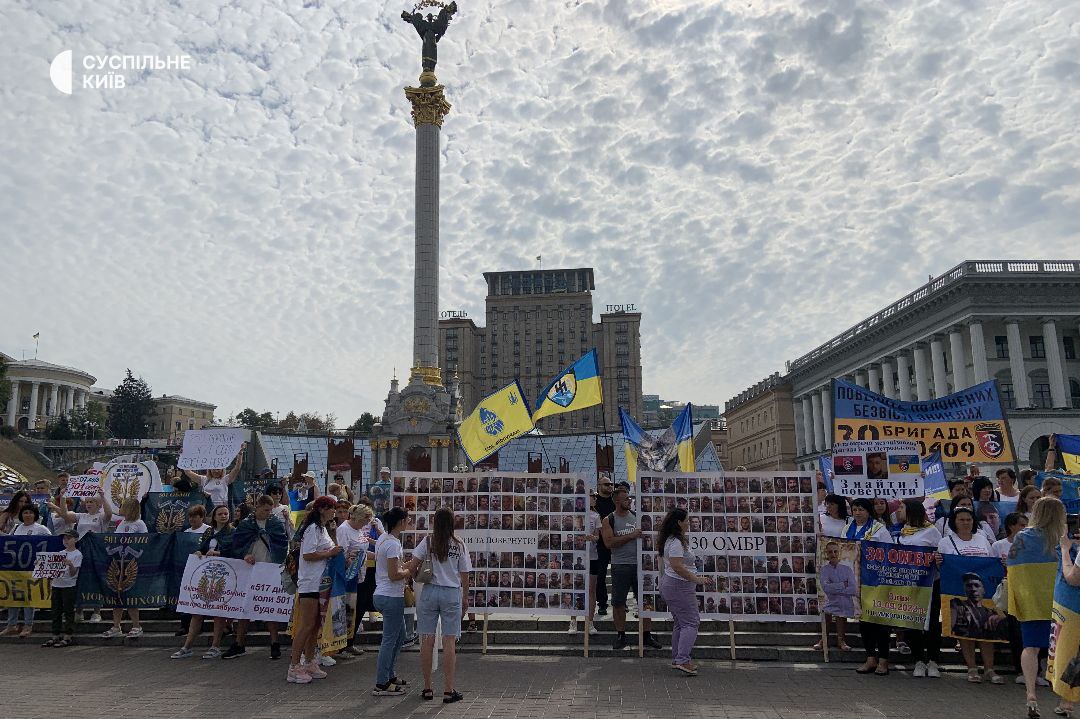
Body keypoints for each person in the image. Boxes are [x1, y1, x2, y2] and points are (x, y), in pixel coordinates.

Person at [1008, 497, 1066, 717]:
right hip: (1062, 603)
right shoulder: (1063, 540)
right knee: (1065, 651)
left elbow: (1013, 569)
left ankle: (1031, 694)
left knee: (1030, 647)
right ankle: (1065, 700)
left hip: (1031, 601)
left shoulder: (1022, 538)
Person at [408, 507, 470, 703]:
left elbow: (412, 565)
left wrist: (413, 575)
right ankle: (448, 690)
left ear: (435, 521)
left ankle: (427, 688)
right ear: (452, 522)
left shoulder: (427, 541)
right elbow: (465, 574)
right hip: (451, 593)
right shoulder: (459, 544)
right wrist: (465, 597)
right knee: (449, 641)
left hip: (430, 591)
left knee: (427, 639)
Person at [936, 506, 1001, 684]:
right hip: (959, 592)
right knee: (965, 631)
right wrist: (939, 562)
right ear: (954, 522)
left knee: (987, 632)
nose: (965, 523)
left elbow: (990, 561)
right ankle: (971, 667)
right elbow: (942, 567)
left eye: (969, 519)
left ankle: (989, 669)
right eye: (961, 520)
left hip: (985, 594)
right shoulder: (946, 542)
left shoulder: (982, 539)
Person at [225, 495, 290, 660]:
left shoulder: (275, 523)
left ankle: (275, 644)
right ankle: (239, 643)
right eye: (265, 510)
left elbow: (283, 544)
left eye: (270, 510)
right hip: (250, 569)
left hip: (269, 569)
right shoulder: (246, 524)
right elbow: (237, 544)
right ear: (258, 507)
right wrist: (245, 554)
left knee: (270, 607)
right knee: (244, 607)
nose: (268, 513)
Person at [287, 496, 341, 684]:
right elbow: (308, 555)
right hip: (310, 582)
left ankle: (310, 660)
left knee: (316, 624)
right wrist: (329, 553)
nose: (334, 512)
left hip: (322, 583)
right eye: (332, 508)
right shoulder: (312, 529)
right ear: (322, 509)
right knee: (306, 624)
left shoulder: (323, 529)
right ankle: (294, 665)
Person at [600, 486, 661, 651]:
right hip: (620, 565)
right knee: (618, 602)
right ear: (617, 501)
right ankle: (621, 635)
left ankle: (647, 634)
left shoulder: (636, 517)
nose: (630, 501)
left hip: (640, 565)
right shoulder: (609, 519)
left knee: (646, 600)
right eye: (626, 498)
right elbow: (609, 543)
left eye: (629, 498)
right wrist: (630, 536)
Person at [171, 504, 233, 659]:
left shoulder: (232, 532)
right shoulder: (209, 531)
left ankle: (215, 646)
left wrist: (219, 553)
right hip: (207, 574)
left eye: (226, 513)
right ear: (214, 516)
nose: (223, 516)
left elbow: (235, 550)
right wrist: (200, 551)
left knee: (218, 613)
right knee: (197, 612)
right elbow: (202, 547)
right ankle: (187, 646)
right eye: (220, 514)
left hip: (223, 575)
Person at [658, 508, 711, 675]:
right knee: (691, 622)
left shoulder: (672, 540)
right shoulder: (675, 543)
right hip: (678, 586)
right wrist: (697, 579)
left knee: (681, 623)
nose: (689, 523)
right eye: (687, 520)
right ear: (679, 523)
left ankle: (678, 658)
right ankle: (682, 659)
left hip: (675, 585)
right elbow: (677, 566)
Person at [372, 507, 411, 696]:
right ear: (401, 522)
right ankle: (381, 683)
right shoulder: (393, 544)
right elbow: (394, 574)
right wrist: (409, 570)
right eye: (407, 520)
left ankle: (389, 674)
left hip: (383, 593)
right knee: (389, 640)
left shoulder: (383, 539)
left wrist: (403, 567)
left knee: (401, 635)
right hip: (390, 596)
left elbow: (392, 567)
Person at [100, 498, 147, 639]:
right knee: (117, 596)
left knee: (130, 596)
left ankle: (137, 625)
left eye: (122, 506)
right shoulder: (121, 524)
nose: (119, 509)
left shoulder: (139, 524)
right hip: (118, 562)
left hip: (131, 562)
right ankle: (116, 626)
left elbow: (145, 542)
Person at [1, 504, 51, 637]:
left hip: (32, 569)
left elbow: (51, 545)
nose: (27, 515)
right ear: (21, 515)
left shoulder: (41, 529)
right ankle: (11, 625)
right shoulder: (16, 528)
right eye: (25, 513)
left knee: (29, 598)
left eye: (30, 513)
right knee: (13, 597)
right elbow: (7, 542)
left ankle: (28, 625)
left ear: (35, 514)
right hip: (15, 569)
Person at [1048, 531, 1079, 719]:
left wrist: (1067, 550)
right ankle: (1066, 702)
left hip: (1074, 609)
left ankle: (1066, 702)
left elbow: (1073, 578)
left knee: (1072, 654)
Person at [336, 503, 374, 657]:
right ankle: (341, 645)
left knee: (359, 608)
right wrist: (350, 561)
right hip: (349, 576)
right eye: (366, 520)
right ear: (360, 518)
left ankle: (350, 641)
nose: (367, 524)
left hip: (361, 574)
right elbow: (342, 553)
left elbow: (363, 551)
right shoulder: (344, 530)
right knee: (348, 610)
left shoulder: (359, 530)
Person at [41, 528, 82, 648]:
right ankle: (55, 635)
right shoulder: (59, 553)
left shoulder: (77, 554)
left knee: (68, 611)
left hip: (69, 585)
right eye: (65, 538)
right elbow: (51, 570)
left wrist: (70, 565)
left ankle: (68, 636)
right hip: (56, 585)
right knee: (56, 611)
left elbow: (74, 573)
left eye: (69, 538)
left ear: (75, 539)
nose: (66, 540)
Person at [816, 541, 855, 653]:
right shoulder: (824, 570)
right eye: (830, 552)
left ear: (839, 552)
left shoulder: (847, 569)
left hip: (844, 601)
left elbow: (853, 589)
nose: (833, 554)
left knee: (842, 608)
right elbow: (826, 588)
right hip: (831, 601)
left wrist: (834, 588)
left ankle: (841, 640)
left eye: (835, 551)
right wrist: (843, 585)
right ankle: (823, 639)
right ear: (826, 554)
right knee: (825, 610)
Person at [571, 491, 602, 635]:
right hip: (576, 556)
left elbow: (598, 537)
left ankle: (590, 621)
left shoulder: (596, 516)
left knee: (591, 589)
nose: (595, 498)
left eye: (595, 496)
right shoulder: (574, 514)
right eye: (592, 496)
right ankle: (573, 621)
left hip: (592, 556)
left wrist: (591, 538)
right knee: (575, 588)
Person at [182, 444, 246, 509]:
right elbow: (188, 472)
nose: (216, 471)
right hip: (207, 510)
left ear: (222, 470)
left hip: (221, 510)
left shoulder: (225, 479)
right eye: (213, 469)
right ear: (210, 470)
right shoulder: (204, 479)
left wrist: (240, 453)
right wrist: (183, 456)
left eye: (218, 469)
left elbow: (237, 468)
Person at [593, 475, 616, 617]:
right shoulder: (594, 503)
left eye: (610, 484)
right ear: (599, 486)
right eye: (606, 484)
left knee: (618, 574)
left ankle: (620, 603)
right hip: (600, 544)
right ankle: (602, 604)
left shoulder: (616, 501)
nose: (609, 486)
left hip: (615, 542)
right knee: (600, 576)